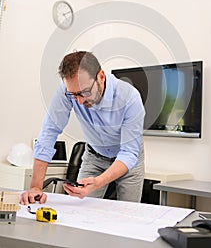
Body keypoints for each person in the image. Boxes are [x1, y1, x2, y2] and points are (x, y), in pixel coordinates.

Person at [21, 51, 145, 205]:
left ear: (101, 76)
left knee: (129, 214)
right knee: (80, 209)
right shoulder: (67, 89)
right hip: (94, 156)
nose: (79, 102)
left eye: (84, 92)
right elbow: (49, 131)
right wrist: (35, 187)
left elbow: (129, 152)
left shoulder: (130, 98)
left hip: (128, 160)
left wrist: (99, 181)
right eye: (74, 95)